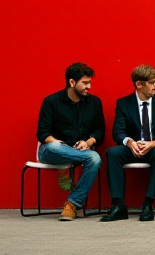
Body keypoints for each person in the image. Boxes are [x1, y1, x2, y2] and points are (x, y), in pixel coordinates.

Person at [101, 64, 155, 222]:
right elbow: (118, 132)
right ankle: (118, 205)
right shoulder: (123, 103)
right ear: (139, 84)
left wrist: (154, 142)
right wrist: (130, 142)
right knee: (112, 152)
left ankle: (148, 204)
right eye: (152, 83)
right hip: (134, 148)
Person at [35, 62, 105, 221]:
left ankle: (72, 204)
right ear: (72, 82)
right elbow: (43, 133)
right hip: (53, 150)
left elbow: (100, 131)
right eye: (85, 83)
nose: (89, 87)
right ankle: (72, 161)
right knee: (60, 148)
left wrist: (87, 142)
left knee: (94, 158)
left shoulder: (95, 102)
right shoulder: (51, 101)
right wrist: (62, 145)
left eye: (90, 83)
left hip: (82, 150)